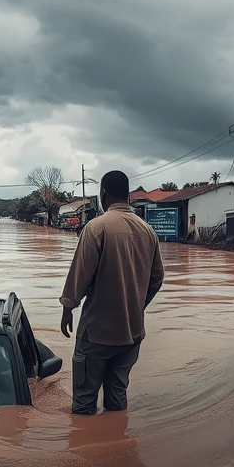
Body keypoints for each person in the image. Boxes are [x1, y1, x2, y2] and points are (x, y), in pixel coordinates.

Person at [59, 170, 166, 415]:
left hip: (97, 332)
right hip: (132, 333)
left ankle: (88, 449)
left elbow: (79, 275)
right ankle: (118, 445)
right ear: (128, 196)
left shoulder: (96, 227)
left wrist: (68, 308)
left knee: (84, 402)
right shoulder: (148, 231)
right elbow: (157, 279)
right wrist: (137, 305)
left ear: (103, 194)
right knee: (117, 398)